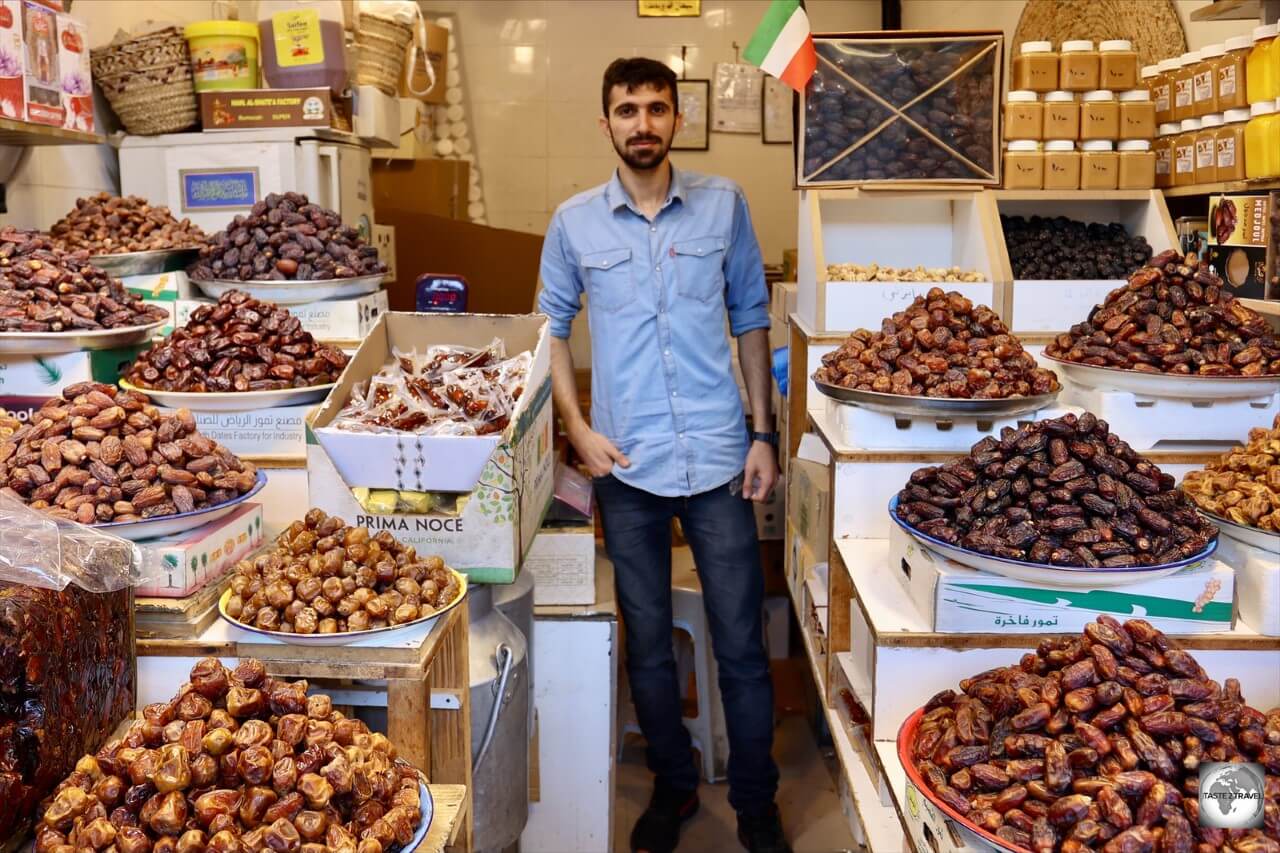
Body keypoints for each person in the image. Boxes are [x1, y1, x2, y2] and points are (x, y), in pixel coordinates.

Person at [538, 57, 788, 853]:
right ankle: (675, 789)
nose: (641, 123)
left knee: (741, 645)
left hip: (719, 459)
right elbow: (549, 331)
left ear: (678, 117)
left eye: (655, 108)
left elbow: (752, 317)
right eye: (625, 110)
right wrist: (576, 429)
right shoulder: (575, 222)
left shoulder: (723, 206)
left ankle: (756, 805)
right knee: (645, 643)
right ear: (604, 121)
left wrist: (762, 433)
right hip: (628, 467)